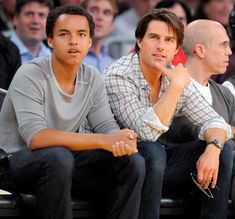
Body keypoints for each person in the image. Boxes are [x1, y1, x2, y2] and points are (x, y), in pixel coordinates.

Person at [0, 5, 146, 219]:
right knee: (59, 157)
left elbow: (107, 128)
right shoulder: (31, 74)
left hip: (62, 162)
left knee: (131, 160)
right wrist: (104, 140)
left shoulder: (92, 77)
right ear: (50, 40)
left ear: (89, 41)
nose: (73, 41)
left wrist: (122, 139)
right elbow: (37, 138)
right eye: (63, 34)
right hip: (13, 164)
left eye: (81, 34)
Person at [104, 9, 233, 219]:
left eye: (169, 40)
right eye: (154, 37)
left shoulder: (175, 74)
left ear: (176, 49)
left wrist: (213, 148)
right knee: (153, 150)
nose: (161, 46)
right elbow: (144, 133)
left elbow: (215, 121)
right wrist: (174, 89)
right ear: (139, 41)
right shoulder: (119, 74)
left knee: (223, 151)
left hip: (156, 164)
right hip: (119, 165)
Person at [10, 0, 54, 64]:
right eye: (29, 14)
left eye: (41, 15)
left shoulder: (53, 57)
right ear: (15, 19)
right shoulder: (3, 54)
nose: (36, 21)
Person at [82, 0, 118, 73]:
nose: (100, 17)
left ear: (112, 25)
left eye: (106, 13)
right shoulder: (69, 57)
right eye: (93, 10)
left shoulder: (114, 63)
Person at [155, 0, 193, 65]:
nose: (177, 23)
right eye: (171, 19)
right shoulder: (144, 50)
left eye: (181, 19)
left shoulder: (197, 51)